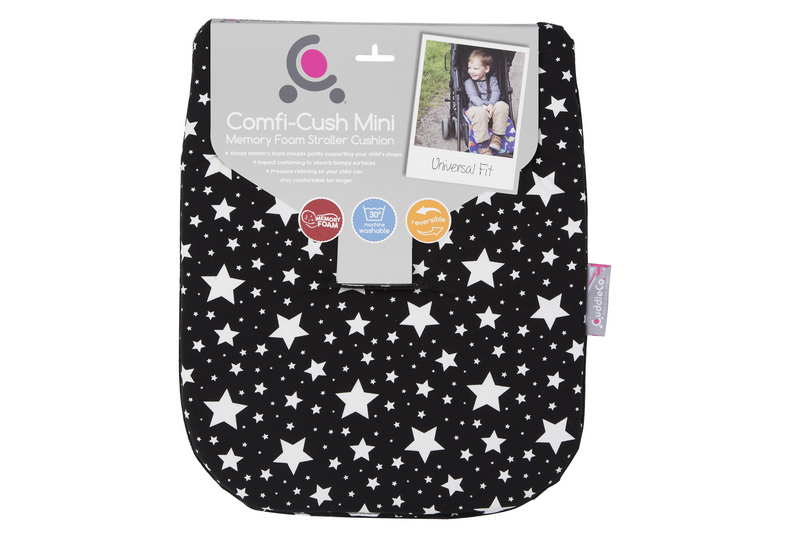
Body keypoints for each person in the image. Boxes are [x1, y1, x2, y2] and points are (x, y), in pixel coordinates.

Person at [464, 49, 509, 154]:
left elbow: (496, 92)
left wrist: (491, 105)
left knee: (502, 105)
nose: (471, 71)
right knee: (480, 112)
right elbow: (472, 96)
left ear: (486, 69)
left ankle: (497, 137)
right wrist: (483, 106)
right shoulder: (468, 82)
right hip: (475, 109)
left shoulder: (493, 80)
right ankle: (483, 146)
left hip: (491, 107)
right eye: (469, 68)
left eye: (475, 68)